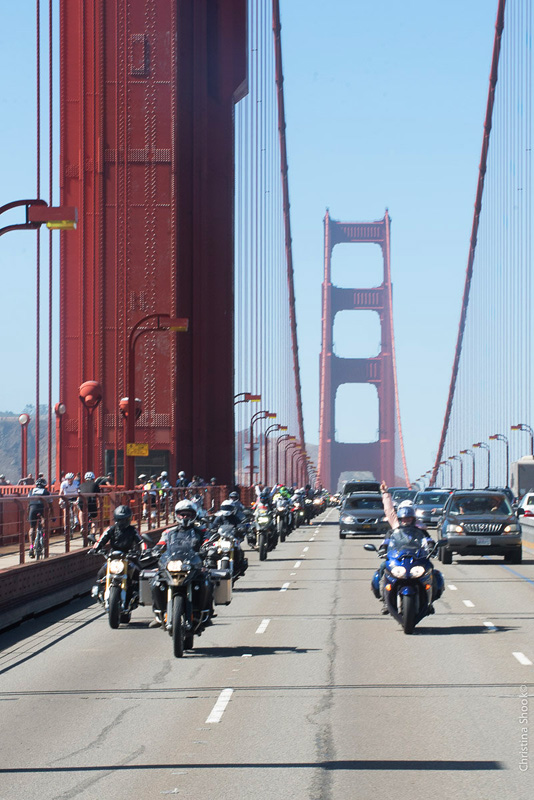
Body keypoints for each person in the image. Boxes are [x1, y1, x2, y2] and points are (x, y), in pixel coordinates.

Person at [148, 500, 209, 627]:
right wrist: (153, 551)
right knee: (156, 582)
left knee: (206, 582)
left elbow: (208, 541)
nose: (185, 517)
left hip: (193, 565)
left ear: (194, 515)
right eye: (182, 514)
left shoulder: (201, 531)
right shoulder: (169, 532)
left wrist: (209, 548)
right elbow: (161, 544)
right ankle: (159, 613)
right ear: (177, 515)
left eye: (188, 514)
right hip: (172, 564)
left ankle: (205, 612)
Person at [373, 505, 438, 615]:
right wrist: (382, 550)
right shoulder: (393, 532)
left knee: (431, 569)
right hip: (398, 559)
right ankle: (385, 600)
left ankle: (430, 601)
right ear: (400, 520)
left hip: (416, 558)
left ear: (413, 519)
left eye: (409, 518)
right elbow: (385, 543)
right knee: (383, 567)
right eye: (404, 519)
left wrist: (432, 548)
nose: (406, 521)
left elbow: (429, 541)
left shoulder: (420, 532)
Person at [90, 504, 144, 598]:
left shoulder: (133, 530)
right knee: (101, 572)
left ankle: (137, 593)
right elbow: (101, 540)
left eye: (125, 519)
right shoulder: (111, 529)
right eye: (120, 519)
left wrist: (144, 550)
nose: (122, 522)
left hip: (129, 555)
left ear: (129, 519)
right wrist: (95, 549)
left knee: (138, 572)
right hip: (113, 556)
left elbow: (141, 541)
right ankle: (99, 592)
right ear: (116, 519)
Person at [27, 477, 52, 557]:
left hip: (32, 509)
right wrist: (52, 516)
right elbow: (50, 505)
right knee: (45, 525)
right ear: (44, 486)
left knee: (32, 528)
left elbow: (28, 504)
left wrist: (28, 514)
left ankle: (31, 547)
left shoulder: (31, 491)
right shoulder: (46, 492)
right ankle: (44, 537)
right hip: (41, 509)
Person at [77, 471, 100, 536]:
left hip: (82, 502)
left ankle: (82, 526)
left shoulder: (81, 485)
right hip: (91, 502)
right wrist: (98, 506)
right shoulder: (95, 484)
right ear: (93, 478)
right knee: (94, 519)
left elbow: (78, 494)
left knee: (81, 511)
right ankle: (93, 534)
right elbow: (98, 496)